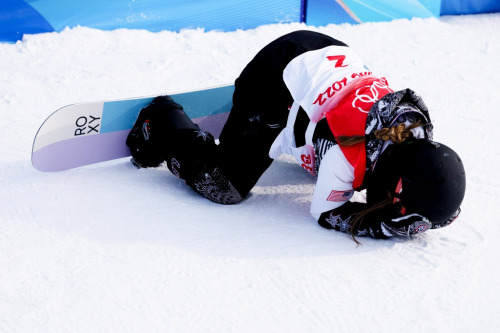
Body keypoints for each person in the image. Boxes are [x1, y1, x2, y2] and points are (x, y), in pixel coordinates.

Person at [126, 30, 466, 243]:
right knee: (224, 185)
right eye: (402, 209)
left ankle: (264, 122)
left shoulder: (413, 129)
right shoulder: (346, 154)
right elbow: (324, 212)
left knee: (313, 152)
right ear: (397, 185)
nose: (401, 217)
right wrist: (385, 226)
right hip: (275, 78)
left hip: (326, 51)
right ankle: (162, 123)